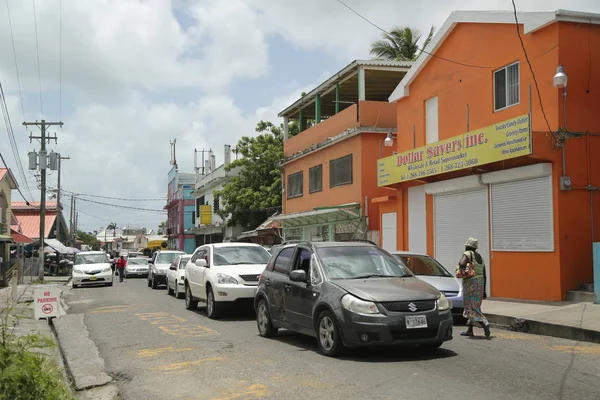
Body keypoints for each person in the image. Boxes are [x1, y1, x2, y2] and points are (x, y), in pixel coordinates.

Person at [457, 237, 491, 338]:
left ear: (468, 246)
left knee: (471, 307)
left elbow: (461, 263)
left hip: (471, 283)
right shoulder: (480, 258)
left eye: (466, 246)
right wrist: (484, 291)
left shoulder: (468, 254)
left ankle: (485, 323)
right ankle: (470, 330)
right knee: (475, 306)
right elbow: (484, 275)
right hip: (480, 284)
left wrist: (463, 272)